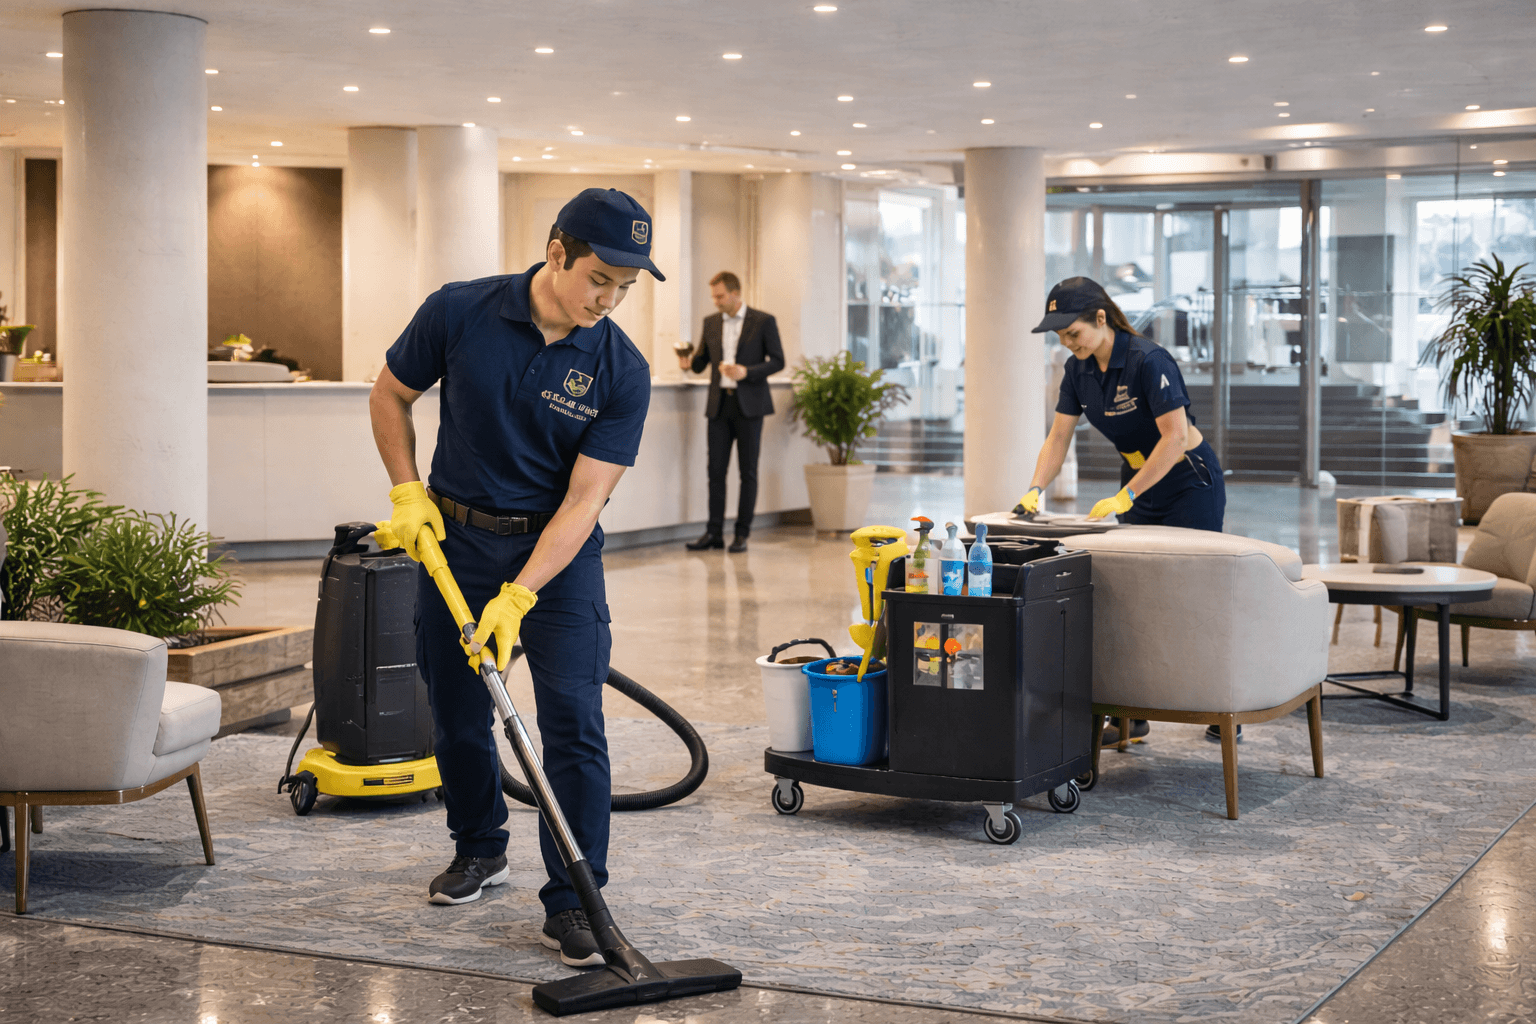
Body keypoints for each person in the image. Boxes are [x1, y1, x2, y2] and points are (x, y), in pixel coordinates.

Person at [369, 188, 661, 969]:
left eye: (627, 288)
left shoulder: (619, 369)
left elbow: (586, 497)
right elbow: (391, 393)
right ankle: (479, 847)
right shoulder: (460, 312)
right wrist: (407, 491)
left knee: (571, 721)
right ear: (557, 251)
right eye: (601, 277)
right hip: (452, 542)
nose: (611, 299)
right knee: (459, 711)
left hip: (558, 562)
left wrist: (523, 591)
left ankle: (575, 900)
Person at [1015, 276, 1228, 743]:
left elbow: (1173, 436)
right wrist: (1034, 489)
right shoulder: (1079, 371)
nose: (1068, 344)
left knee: (1193, 594)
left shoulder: (1148, 360)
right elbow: (1058, 438)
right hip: (1137, 482)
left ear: (1100, 318)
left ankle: (1220, 701)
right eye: (1060, 337)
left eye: (1073, 333)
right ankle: (1131, 714)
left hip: (1188, 480)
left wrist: (1127, 496)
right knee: (1131, 596)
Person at [678, 271, 785, 553]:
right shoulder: (710, 323)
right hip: (719, 406)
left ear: (735, 293)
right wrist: (687, 361)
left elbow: (778, 361)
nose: (716, 301)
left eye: (720, 296)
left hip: (749, 405)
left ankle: (742, 534)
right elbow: (701, 363)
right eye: (714, 296)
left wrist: (746, 371)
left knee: (747, 471)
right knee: (715, 471)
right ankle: (713, 532)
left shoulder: (763, 321)